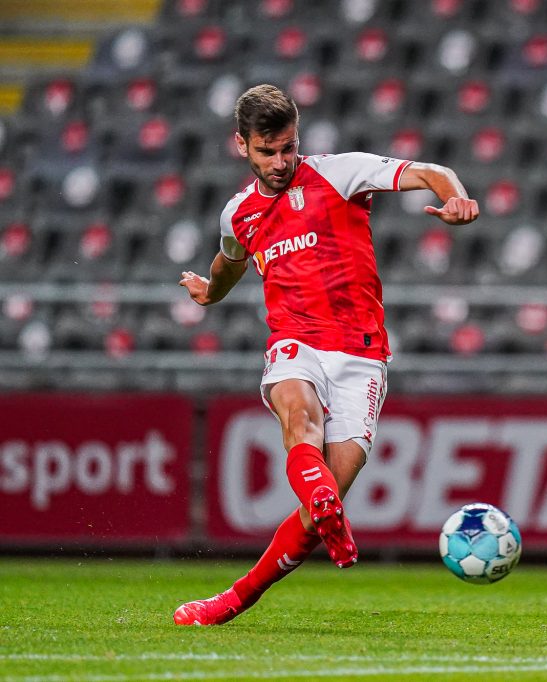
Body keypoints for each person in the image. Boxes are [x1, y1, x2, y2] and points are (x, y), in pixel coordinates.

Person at [173, 84, 479, 626]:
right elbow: (228, 265)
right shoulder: (238, 213)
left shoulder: (340, 173)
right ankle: (236, 595)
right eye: (267, 151)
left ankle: (287, 548)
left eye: (288, 147)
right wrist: (208, 294)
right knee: (300, 416)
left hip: (362, 354)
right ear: (241, 145)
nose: (280, 161)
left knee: (321, 503)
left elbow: (428, 171)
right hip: (295, 340)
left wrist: (456, 196)